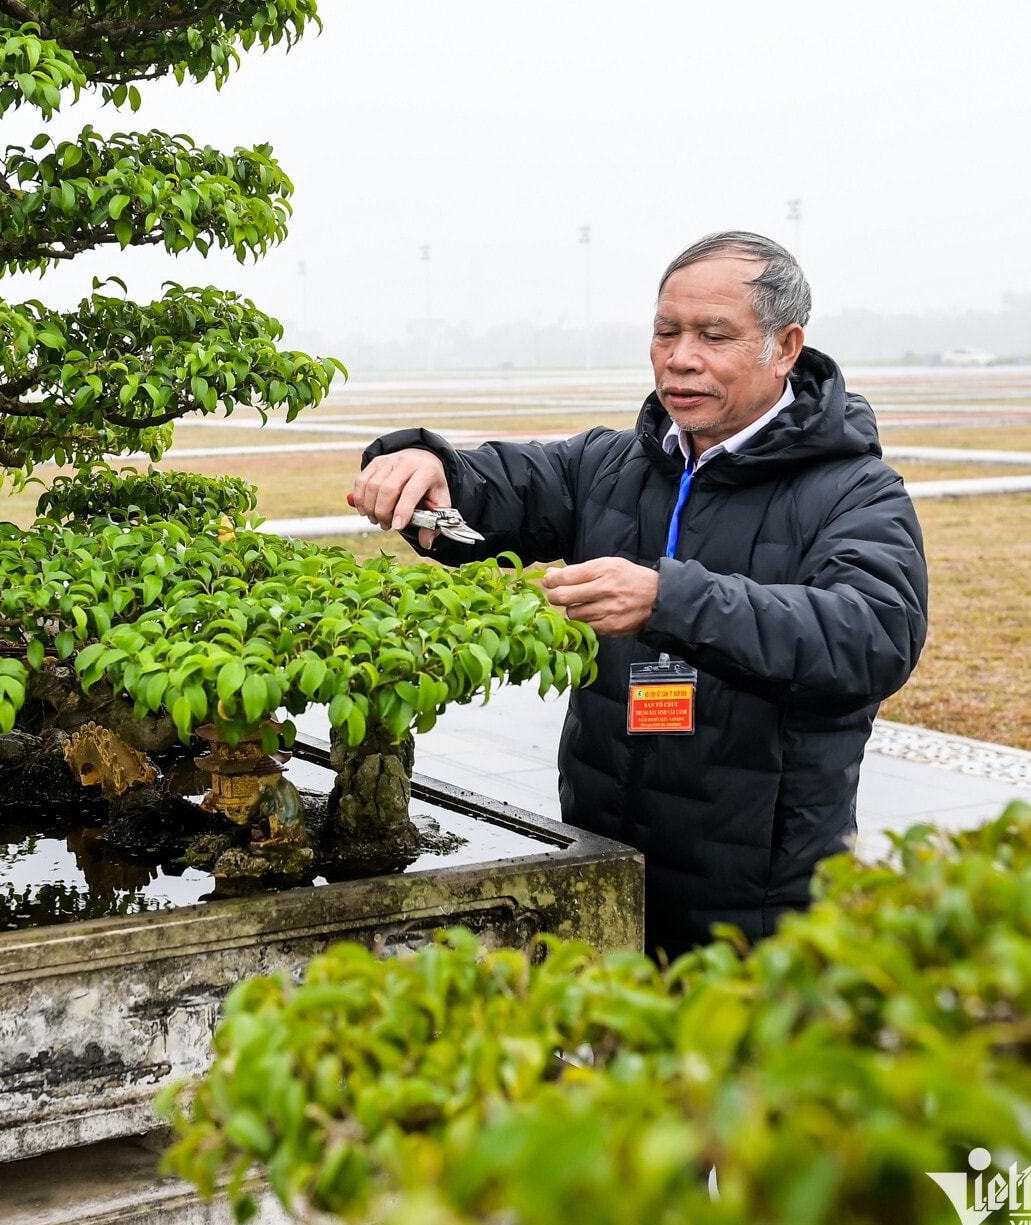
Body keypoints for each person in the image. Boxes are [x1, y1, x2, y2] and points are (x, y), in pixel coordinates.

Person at [351, 231, 929, 956]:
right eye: (666, 332)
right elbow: (503, 486)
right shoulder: (615, 463)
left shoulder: (854, 490)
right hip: (602, 857)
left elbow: (872, 636)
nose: (681, 357)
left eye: (713, 335)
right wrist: (426, 462)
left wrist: (669, 600)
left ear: (784, 347)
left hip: (761, 896)